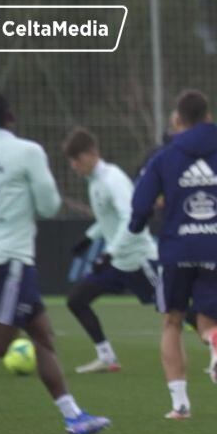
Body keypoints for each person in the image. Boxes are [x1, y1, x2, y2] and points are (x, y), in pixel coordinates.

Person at [0, 90, 111, 434]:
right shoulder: (28, 152)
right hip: (12, 259)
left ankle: (74, 417)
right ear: (10, 117)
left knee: (42, 335)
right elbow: (47, 206)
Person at [129, 90, 217, 419]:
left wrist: (136, 224)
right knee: (208, 323)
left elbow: (141, 200)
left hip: (177, 248)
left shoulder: (163, 158)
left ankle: (180, 404)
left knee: (172, 321)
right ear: (208, 118)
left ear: (177, 121)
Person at [63, 127, 160, 373]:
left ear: (92, 153)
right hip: (118, 264)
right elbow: (108, 218)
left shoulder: (112, 179)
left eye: (77, 159)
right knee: (76, 301)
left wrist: (108, 253)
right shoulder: (94, 182)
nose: (74, 166)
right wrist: (88, 238)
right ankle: (106, 356)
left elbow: (130, 218)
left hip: (140, 260)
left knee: (174, 307)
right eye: (71, 161)